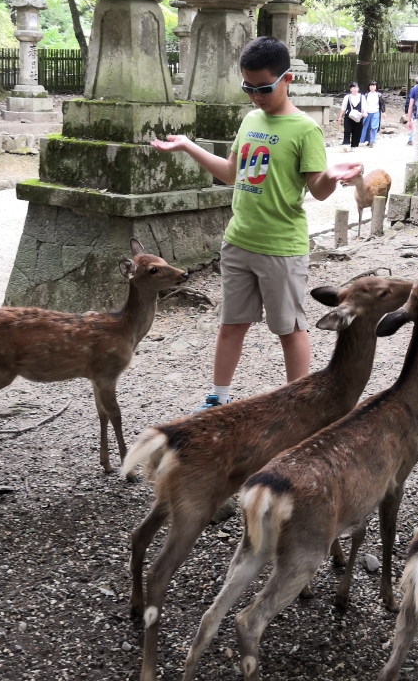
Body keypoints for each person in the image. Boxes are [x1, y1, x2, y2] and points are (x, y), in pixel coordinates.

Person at [152, 36, 363, 409]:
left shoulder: (305, 129)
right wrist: (188, 145)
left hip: (281, 247)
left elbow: (317, 190)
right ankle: (217, 398)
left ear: (287, 80)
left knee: (289, 329)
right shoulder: (250, 118)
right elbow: (232, 173)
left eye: (263, 87)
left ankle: (298, 405)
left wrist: (332, 176)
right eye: (247, 87)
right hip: (239, 241)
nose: (255, 96)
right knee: (231, 324)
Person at [339, 82, 365, 149]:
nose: (355, 89)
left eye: (356, 87)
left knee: (357, 130)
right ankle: (346, 144)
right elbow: (343, 107)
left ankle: (354, 145)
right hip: (348, 116)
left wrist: (364, 113)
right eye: (354, 87)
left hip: (358, 116)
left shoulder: (362, 97)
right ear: (350, 89)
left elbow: (364, 106)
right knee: (347, 130)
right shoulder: (347, 97)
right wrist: (340, 117)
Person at [360, 80, 382, 147]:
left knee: (374, 126)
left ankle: (372, 141)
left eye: (374, 85)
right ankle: (368, 140)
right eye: (371, 85)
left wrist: (383, 112)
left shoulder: (378, 95)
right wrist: (362, 111)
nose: (372, 87)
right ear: (369, 87)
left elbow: (382, 104)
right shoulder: (366, 95)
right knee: (366, 127)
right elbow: (363, 104)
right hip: (367, 112)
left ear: (376, 87)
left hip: (376, 112)